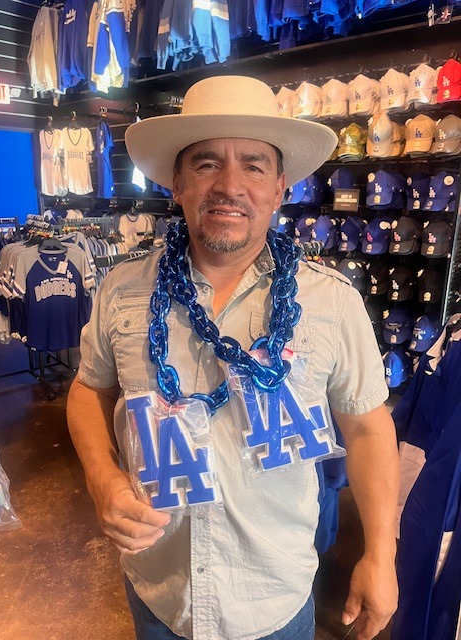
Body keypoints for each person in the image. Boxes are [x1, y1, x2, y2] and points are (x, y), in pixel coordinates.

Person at [67, 75, 399, 640]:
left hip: (273, 598)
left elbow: (367, 428)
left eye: (254, 165)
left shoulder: (332, 302)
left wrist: (380, 556)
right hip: (160, 593)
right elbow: (88, 390)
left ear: (280, 188)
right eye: (206, 164)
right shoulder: (121, 291)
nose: (229, 185)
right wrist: (103, 479)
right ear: (177, 183)